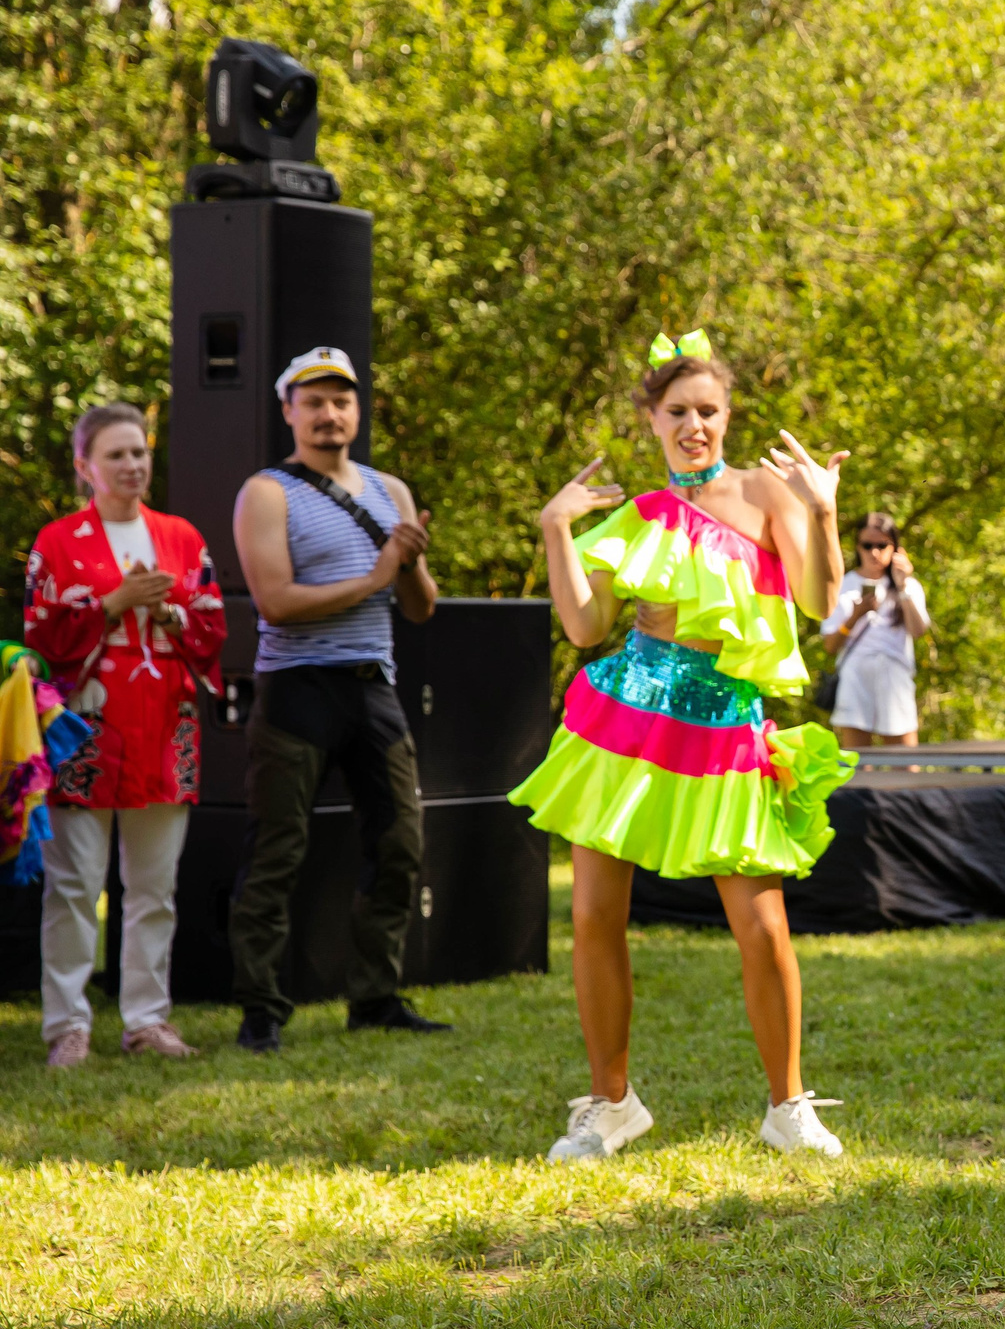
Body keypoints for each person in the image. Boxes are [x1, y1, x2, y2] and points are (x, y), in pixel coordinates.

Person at [513, 333, 853, 1160]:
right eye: (678, 412)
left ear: (727, 414)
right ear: (652, 420)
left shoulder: (769, 493)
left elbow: (818, 600)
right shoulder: (636, 517)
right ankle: (611, 1102)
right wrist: (558, 527)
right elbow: (586, 626)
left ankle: (789, 1106)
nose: (693, 425)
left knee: (761, 924)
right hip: (624, 720)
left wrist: (823, 506)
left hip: (724, 725)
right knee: (594, 914)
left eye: (707, 410)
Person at [229, 349, 445, 1053]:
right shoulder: (267, 492)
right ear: (287, 409)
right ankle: (261, 1009)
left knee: (399, 843)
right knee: (277, 850)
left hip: (371, 686)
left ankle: (375, 997)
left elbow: (420, 608)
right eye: (314, 401)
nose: (330, 414)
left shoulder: (393, 490)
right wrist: (379, 570)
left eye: (342, 401)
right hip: (297, 688)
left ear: (359, 410)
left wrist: (406, 566)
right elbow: (276, 602)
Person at [23, 405, 227, 1066]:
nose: (133, 465)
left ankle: (147, 1019)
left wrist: (161, 606)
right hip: (85, 729)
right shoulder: (57, 541)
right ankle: (68, 1025)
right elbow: (42, 636)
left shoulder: (180, 537)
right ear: (85, 465)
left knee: (153, 886)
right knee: (76, 884)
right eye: (117, 455)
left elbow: (212, 625)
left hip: (164, 727)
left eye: (139, 452)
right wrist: (112, 603)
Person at [821, 511, 930, 751]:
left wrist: (902, 587)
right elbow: (830, 646)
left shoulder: (909, 586)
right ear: (857, 547)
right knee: (858, 764)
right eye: (867, 545)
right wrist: (854, 617)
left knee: (904, 765)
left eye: (882, 545)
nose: (874, 552)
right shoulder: (842, 585)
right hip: (855, 678)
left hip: (895, 680)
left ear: (895, 548)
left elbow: (919, 630)